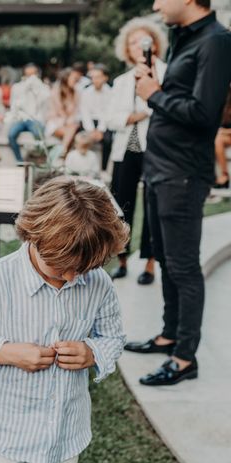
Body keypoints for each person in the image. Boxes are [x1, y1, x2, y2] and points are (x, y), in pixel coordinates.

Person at [0, 176, 129, 463]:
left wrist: (91, 353)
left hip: (63, 433)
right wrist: (5, 353)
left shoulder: (99, 284)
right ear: (35, 238)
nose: (72, 278)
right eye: (62, 266)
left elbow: (113, 337)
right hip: (3, 431)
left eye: (82, 268)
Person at [126, 0, 231, 386]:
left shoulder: (217, 42)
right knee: (167, 260)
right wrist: (154, 84)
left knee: (184, 266)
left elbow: (205, 115)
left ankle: (185, 358)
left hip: (183, 173)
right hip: (159, 167)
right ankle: (169, 335)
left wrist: (153, 93)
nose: (155, 4)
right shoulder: (182, 38)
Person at [107, 17, 168, 285]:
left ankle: (150, 263)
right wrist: (137, 115)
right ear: (126, 49)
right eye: (132, 42)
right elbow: (110, 119)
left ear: (154, 44)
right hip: (127, 147)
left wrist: (143, 111)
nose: (138, 45)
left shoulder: (167, 73)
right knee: (122, 203)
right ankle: (121, 258)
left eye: (143, 40)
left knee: (153, 205)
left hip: (156, 148)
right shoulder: (121, 82)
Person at [6, 63, 51, 162]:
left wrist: (37, 88)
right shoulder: (17, 87)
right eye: (28, 75)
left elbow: (45, 102)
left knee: (38, 134)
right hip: (21, 119)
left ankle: (40, 159)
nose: (31, 78)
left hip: (36, 119)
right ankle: (20, 161)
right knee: (11, 134)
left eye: (33, 75)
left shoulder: (43, 88)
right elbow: (14, 104)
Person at [80, 63, 113, 171]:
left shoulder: (110, 92)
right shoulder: (86, 92)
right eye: (93, 77)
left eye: (98, 77)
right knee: (81, 137)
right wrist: (90, 130)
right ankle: (83, 168)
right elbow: (84, 112)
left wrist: (100, 130)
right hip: (89, 122)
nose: (95, 80)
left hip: (105, 122)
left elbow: (108, 112)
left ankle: (103, 169)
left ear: (105, 78)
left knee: (108, 140)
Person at [46, 68, 81, 157]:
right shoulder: (56, 91)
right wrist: (67, 120)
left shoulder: (75, 92)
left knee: (73, 128)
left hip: (69, 123)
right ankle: (63, 151)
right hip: (56, 123)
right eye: (73, 78)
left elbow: (75, 111)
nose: (76, 80)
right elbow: (59, 111)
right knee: (72, 130)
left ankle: (63, 151)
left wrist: (70, 120)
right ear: (66, 78)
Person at [213, 84, 231, 188]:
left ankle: (224, 176)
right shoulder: (222, 104)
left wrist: (223, 131)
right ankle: (211, 175)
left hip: (226, 134)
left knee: (218, 139)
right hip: (222, 134)